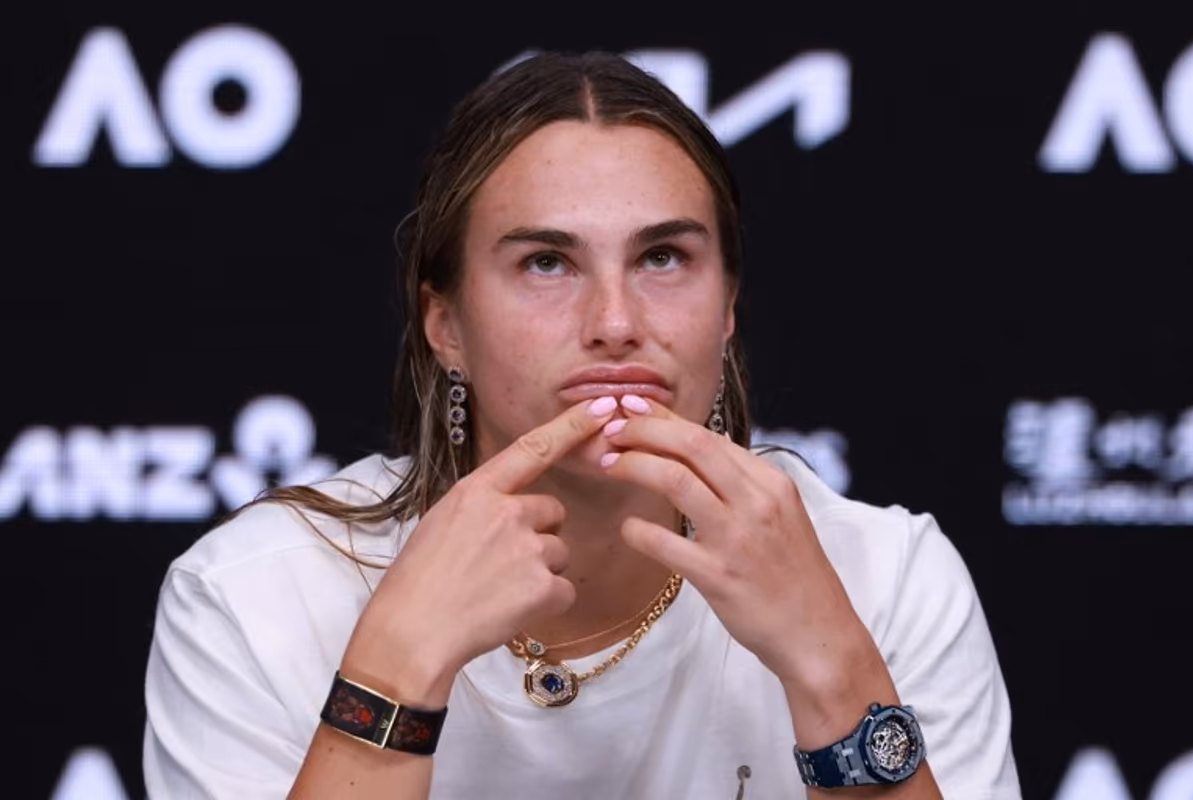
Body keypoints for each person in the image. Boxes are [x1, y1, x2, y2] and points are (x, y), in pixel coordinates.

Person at [143, 51, 1021, 799]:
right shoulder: (254, 595)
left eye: (664, 257)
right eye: (548, 262)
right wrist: (395, 671)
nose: (614, 321)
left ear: (727, 311)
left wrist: (834, 672)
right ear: (443, 325)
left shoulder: (889, 577)